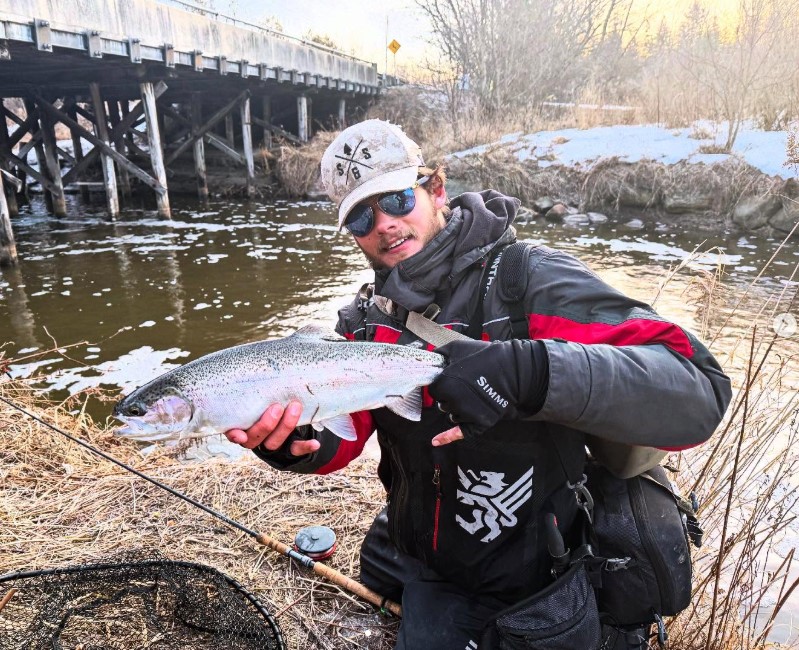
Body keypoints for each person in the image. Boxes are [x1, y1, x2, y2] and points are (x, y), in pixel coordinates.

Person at [225, 119, 731, 649]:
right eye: (360, 216)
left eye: (397, 199)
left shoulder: (527, 281)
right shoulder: (367, 318)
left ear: (436, 189)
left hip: (524, 565)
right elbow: (345, 433)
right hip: (418, 542)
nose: (384, 224)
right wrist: (296, 443)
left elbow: (697, 387)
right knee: (380, 564)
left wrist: (527, 371)